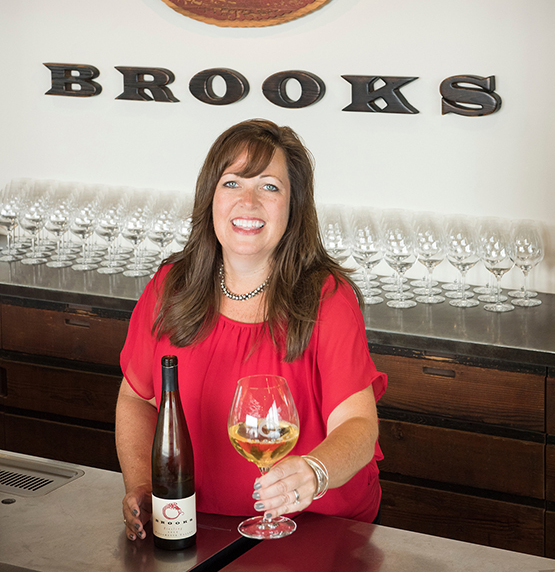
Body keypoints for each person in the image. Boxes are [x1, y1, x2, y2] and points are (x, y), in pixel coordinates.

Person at [116, 119, 387, 542]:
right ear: (210, 197)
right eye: (232, 183)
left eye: (269, 187)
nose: (248, 201)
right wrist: (144, 487)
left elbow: (358, 426)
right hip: (193, 524)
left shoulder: (327, 298)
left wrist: (315, 472)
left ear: (294, 206)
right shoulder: (172, 285)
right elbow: (137, 398)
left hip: (314, 530)